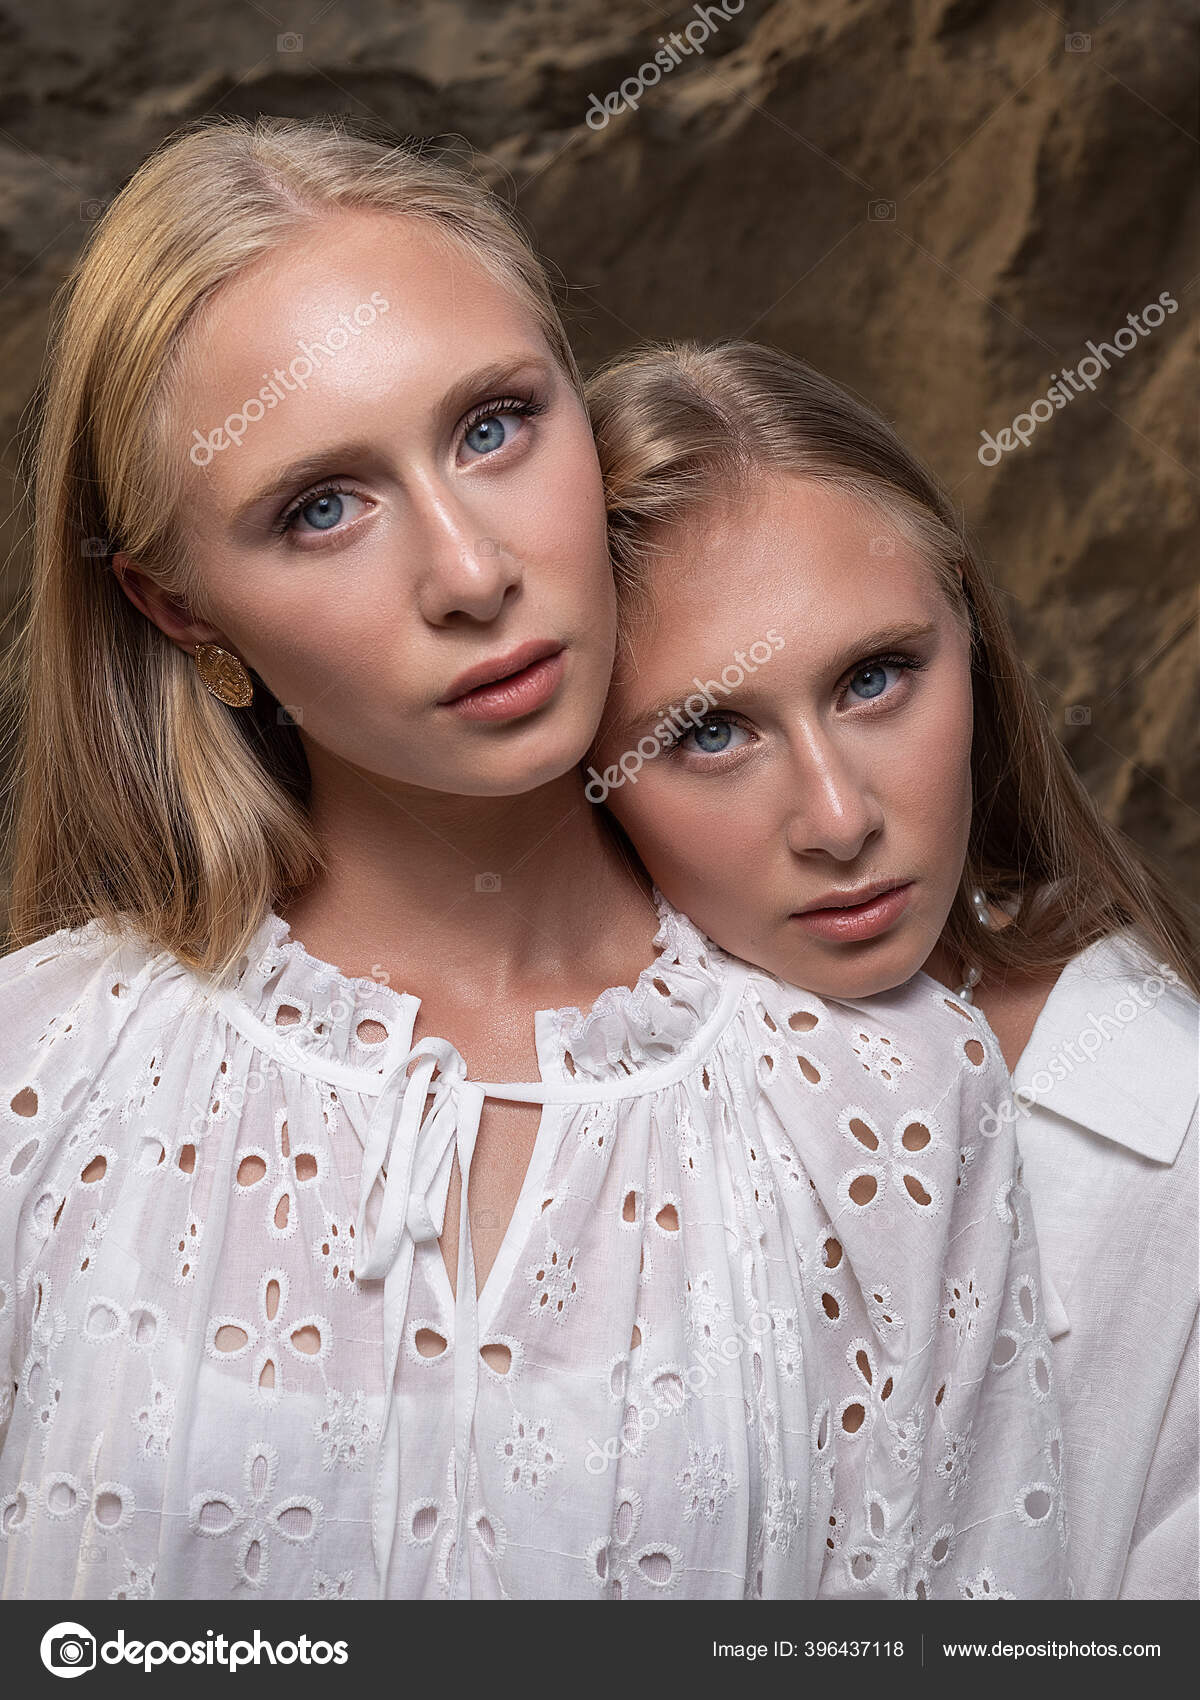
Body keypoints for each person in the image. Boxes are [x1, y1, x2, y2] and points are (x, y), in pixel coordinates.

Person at [0, 116, 1065, 1603]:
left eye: (493, 427)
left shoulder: (891, 1096)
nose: (471, 570)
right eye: (322, 508)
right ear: (181, 612)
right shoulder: (42, 1074)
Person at [583, 338, 1200, 1599]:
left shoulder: (1164, 1132)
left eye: (875, 678)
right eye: (712, 730)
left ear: (968, 633)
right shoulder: (514, 1102)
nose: (837, 817)